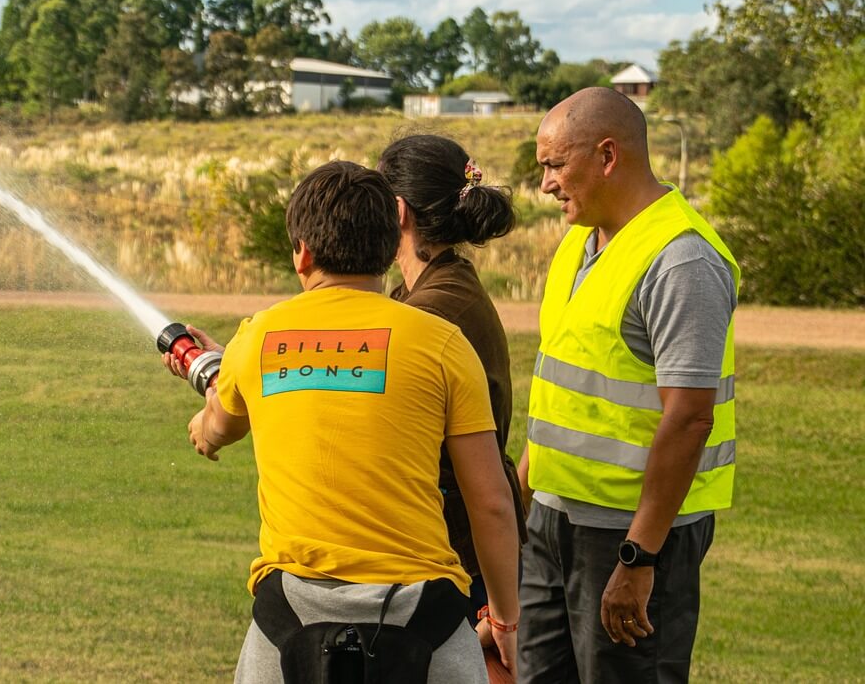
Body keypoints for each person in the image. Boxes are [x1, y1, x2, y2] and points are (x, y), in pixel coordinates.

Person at [169, 160, 521, 683]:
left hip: (290, 621)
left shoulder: (257, 338)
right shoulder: (442, 343)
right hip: (424, 618)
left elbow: (216, 426)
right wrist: (505, 620)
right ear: (386, 245)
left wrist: (206, 417)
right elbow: (490, 503)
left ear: (302, 253)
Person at [517, 88, 739, 683]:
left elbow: (691, 417)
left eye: (555, 165)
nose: (546, 184)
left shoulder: (680, 260)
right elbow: (566, 379)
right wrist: (524, 493)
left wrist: (640, 557)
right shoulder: (578, 242)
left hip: (627, 536)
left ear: (608, 156)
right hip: (553, 519)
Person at [377, 134, 529, 620]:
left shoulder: (436, 307)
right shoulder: (430, 288)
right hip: (449, 544)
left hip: (454, 555)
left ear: (398, 211)